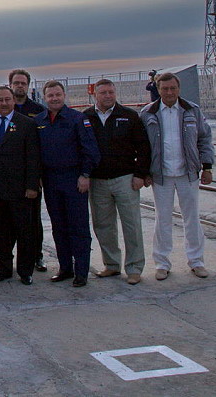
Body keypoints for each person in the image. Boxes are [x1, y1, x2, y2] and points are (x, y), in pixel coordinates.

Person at [139, 72, 214, 280]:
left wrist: (207, 166)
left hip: (187, 174)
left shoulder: (192, 111)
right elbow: (142, 146)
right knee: (162, 219)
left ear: (178, 89)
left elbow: (204, 138)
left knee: (191, 218)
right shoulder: (148, 113)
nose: (169, 92)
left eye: (173, 88)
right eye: (165, 89)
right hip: (160, 176)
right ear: (158, 90)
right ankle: (162, 263)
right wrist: (144, 172)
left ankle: (196, 261)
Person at [83, 79, 151, 285]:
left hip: (125, 180)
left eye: (111, 92)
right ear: (95, 94)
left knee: (132, 225)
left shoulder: (129, 116)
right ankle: (111, 265)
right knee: (103, 226)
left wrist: (140, 174)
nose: (108, 96)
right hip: (98, 181)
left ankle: (134, 268)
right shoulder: (86, 117)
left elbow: (144, 148)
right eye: (103, 93)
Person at [35, 81, 101, 288]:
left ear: (64, 96)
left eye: (58, 95)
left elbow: (90, 150)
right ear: (44, 98)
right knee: (58, 227)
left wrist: (85, 174)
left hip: (74, 179)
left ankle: (81, 271)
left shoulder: (78, 119)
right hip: (51, 180)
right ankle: (65, 268)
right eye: (50, 95)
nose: (54, 98)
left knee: (78, 227)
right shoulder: (39, 121)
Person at [0, 86, 40, 285]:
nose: (3, 104)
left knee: (25, 232)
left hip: (20, 189)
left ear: (13, 100)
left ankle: (25, 271)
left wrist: (32, 186)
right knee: (1, 233)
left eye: (7, 99)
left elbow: (33, 158)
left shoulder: (27, 124)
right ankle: (4, 269)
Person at [9, 69, 47, 272]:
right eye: (16, 83)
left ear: (28, 85)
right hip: (10, 176)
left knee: (34, 219)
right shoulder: (4, 108)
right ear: (10, 85)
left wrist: (38, 175)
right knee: (10, 221)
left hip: (31, 175)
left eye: (23, 83)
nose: (20, 86)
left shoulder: (39, 111)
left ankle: (37, 255)